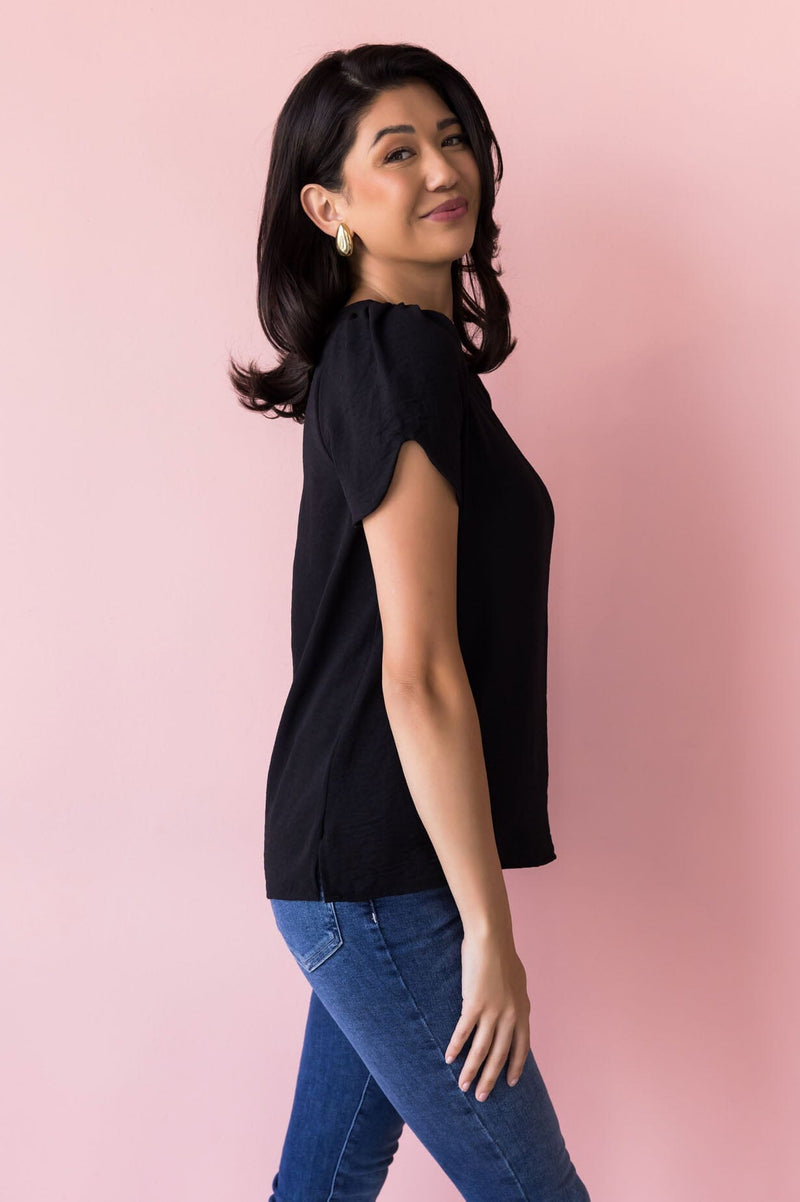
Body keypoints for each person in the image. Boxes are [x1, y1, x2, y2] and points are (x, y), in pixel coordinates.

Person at [229, 42, 592, 1202]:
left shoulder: (397, 357)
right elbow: (418, 671)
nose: (442, 168)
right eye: (396, 152)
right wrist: (488, 930)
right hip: (377, 877)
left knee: (321, 1184)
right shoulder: (393, 353)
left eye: (450, 138)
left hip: (360, 869)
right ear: (326, 206)